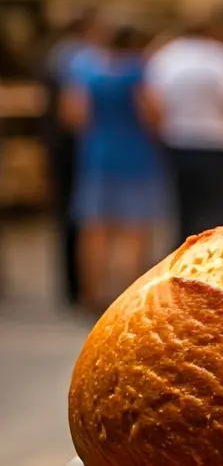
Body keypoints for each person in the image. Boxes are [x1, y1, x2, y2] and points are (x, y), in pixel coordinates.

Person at [61, 25, 164, 312]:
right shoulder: (136, 72)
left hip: (97, 155)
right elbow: (152, 115)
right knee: (134, 229)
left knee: (94, 228)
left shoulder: (87, 71)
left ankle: (91, 293)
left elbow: (73, 115)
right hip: (135, 155)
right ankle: (129, 295)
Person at [146, 10, 223, 245]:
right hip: (218, 145)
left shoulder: (166, 57)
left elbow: (153, 104)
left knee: (182, 214)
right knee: (219, 216)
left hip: (179, 142)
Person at [41, 8, 106, 306]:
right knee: (76, 215)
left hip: (61, 143)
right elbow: (73, 110)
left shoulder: (60, 53)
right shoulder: (82, 57)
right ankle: (75, 285)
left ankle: (74, 285)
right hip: (73, 146)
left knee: (70, 214)